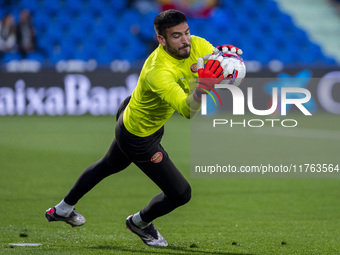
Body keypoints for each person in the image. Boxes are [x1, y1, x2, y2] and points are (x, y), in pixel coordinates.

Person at [45, 9, 241, 247]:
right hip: (138, 136)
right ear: (161, 39)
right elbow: (187, 111)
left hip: (131, 112)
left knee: (109, 164)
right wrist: (202, 89)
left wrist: (226, 60)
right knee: (181, 194)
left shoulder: (197, 45)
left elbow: (218, 63)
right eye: (176, 36)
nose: (186, 40)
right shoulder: (158, 71)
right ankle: (139, 223)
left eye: (187, 32)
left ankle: (63, 209)